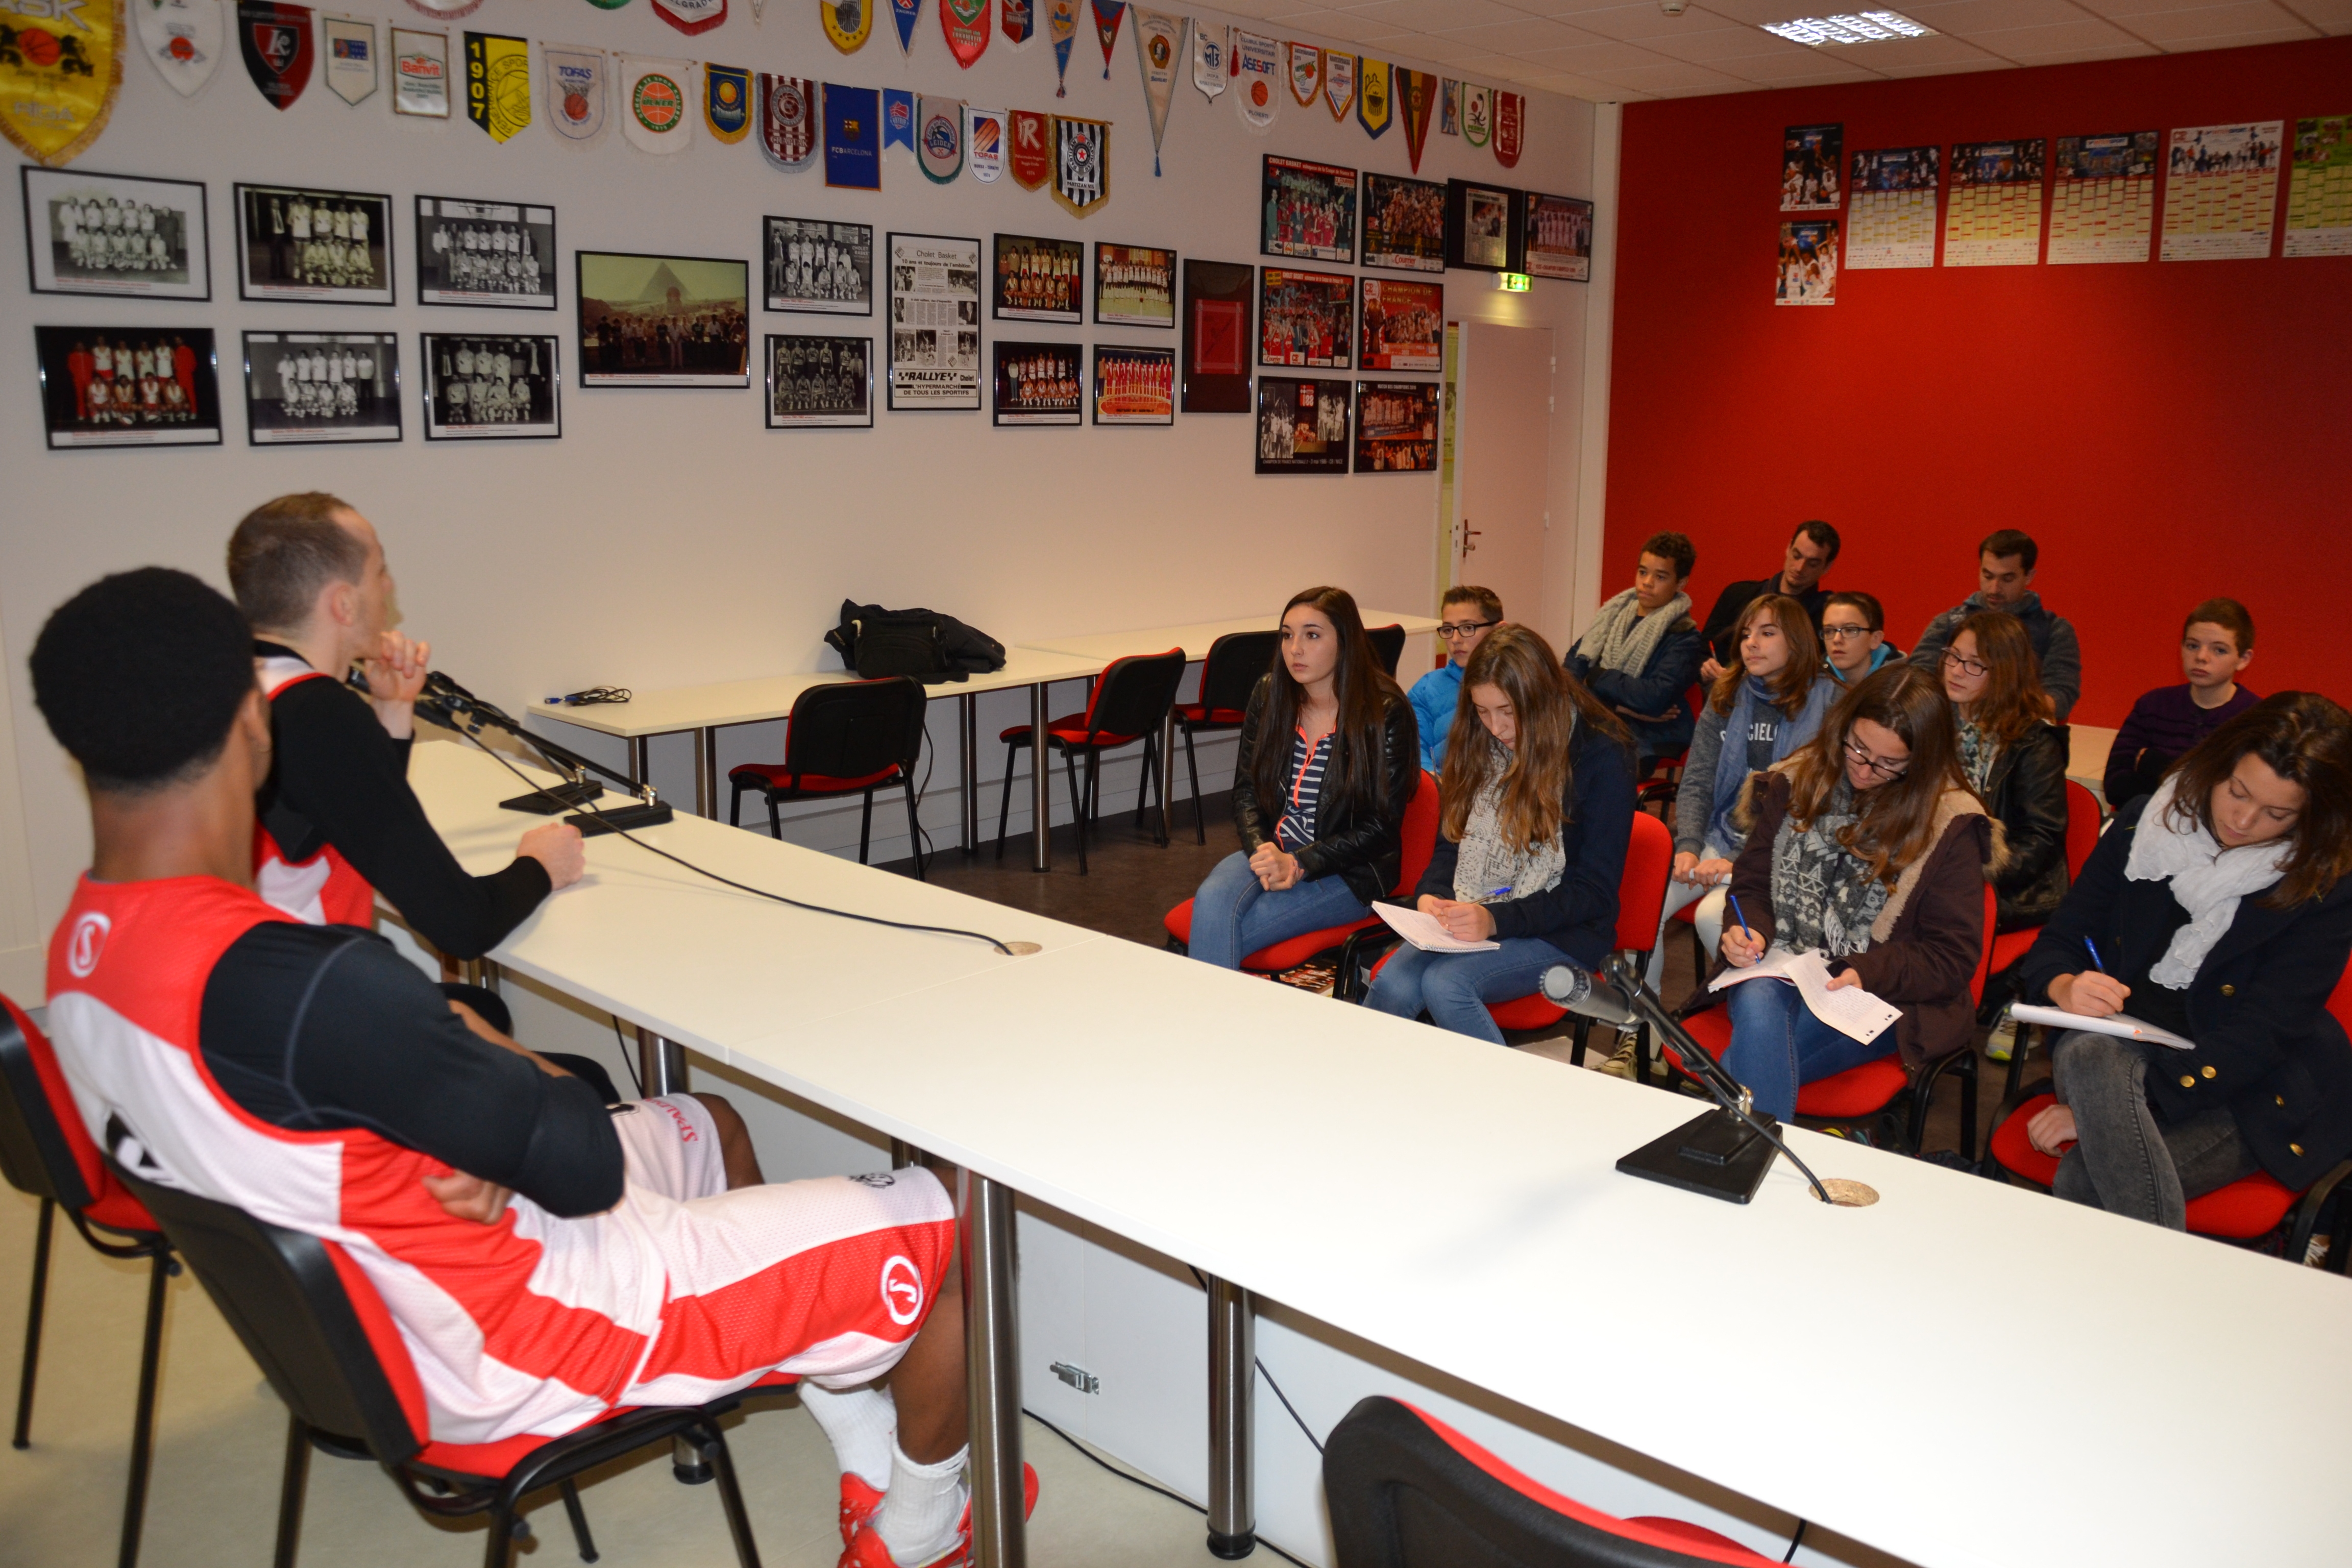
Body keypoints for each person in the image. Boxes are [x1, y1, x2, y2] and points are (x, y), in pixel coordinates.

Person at [30, 569, 1025, 1568]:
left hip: (392, 1313)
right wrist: (494, 1090)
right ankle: (922, 1526)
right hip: (537, 1329)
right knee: (956, 1214)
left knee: (705, 1125)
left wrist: (464, 1101)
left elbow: (333, 1114)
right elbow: (581, 1159)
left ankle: (860, 1443)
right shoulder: (317, 989)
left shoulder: (84, 948)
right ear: (256, 718)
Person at [225, 494, 641, 1105]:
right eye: (380, 571)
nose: (390, 589)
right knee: (588, 1086)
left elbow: (347, 821)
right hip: (303, 1030)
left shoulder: (239, 686)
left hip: (244, 1004)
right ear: (342, 602)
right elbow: (459, 925)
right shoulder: (320, 716)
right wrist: (539, 868)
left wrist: (391, 714)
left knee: (477, 1007)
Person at [2012, 694, 2352, 1232]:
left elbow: (2262, 1037)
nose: (2243, 819)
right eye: (2237, 792)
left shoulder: (2323, 884)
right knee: (2093, 1054)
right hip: (2120, 1057)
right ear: (2217, 766)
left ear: (2314, 815)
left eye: (2278, 814)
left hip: (2243, 1088)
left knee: (2083, 1173)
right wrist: (2062, 984)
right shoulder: (2146, 824)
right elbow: (2064, 937)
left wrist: (2106, 1112)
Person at [1717, 664, 1995, 1123]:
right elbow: (1750, 885)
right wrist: (1747, 932)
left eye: (1889, 763)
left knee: (1732, 1076)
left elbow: (1951, 957)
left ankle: (1740, 1158)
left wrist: (1863, 969)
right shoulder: (1797, 780)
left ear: (1920, 761)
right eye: (1858, 748)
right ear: (1841, 728)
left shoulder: (1949, 823)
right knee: (1758, 999)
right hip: (1786, 965)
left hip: (1882, 997)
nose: (1865, 770)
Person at [1363, 626, 1635, 1044]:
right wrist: (1432, 894)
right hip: (1476, 913)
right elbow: (1451, 840)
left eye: (1508, 711)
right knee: (1395, 983)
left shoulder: (1602, 755)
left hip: (1562, 931)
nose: (1497, 727)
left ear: (1541, 697)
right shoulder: (1477, 740)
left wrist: (1495, 920)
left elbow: (1593, 892)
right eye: (1483, 712)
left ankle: (1505, 1105)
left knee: (1447, 985)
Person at [1627, 596, 1833, 1042]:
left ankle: (1752, 1029)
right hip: (1719, 841)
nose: (1750, 644)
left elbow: (1814, 816)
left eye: (1767, 633)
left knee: (1710, 919)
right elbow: (1698, 780)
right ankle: (1645, 1034)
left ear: (1796, 641)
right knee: (1641, 906)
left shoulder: (1826, 703)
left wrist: (1739, 865)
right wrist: (1688, 845)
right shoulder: (1728, 694)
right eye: (1745, 634)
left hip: (1778, 861)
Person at [1188, 587, 1418, 970]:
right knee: (1212, 900)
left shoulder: (1383, 712)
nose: (1295, 648)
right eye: (1287, 635)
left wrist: (1300, 864)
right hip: (1273, 849)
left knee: (1223, 934)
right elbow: (1246, 792)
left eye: (1312, 635)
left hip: (1347, 871)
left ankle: (1207, 1027)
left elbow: (1380, 828)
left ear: (1345, 642)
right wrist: (1264, 850)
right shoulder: (1270, 694)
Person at [1941, 611, 2069, 933]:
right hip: (1938, 872)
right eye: (1954, 657)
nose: (1957, 671)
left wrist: (1969, 873)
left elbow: (2041, 841)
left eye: (1974, 664)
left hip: (2002, 892)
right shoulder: (1935, 723)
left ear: (2005, 673)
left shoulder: (2034, 742)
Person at [1566, 531, 1706, 773]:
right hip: (1602, 723)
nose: (1647, 583)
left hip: (1647, 738)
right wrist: (1621, 706)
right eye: (1643, 572)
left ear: (1681, 583)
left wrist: (1598, 677)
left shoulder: (1684, 638)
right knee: (1546, 750)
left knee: (1584, 766)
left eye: (1660, 576)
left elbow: (1653, 699)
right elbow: (1569, 677)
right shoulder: (1611, 617)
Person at [1909, 528, 2082, 723]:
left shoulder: (2055, 631)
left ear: (2029, 576)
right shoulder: (1949, 622)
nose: (1994, 588)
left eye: (2007, 579)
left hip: (2017, 735)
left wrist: (2002, 717)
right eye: (1988, 575)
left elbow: (2060, 694)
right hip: (1944, 728)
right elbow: (1917, 677)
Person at [2102, 598, 2259, 809]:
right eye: (2192, 646)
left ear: (2243, 659)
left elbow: (2241, 803)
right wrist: (2203, 781)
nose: (2201, 657)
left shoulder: (2257, 719)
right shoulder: (2152, 706)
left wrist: (2155, 765)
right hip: (2145, 830)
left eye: (2219, 650)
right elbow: (2116, 787)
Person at [1696, 520, 1838, 683]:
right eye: (1797, 556)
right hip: (1722, 692)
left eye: (1812, 564)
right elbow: (1702, 650)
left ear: (1827, 567)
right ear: (1788, 548)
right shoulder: (1738, 595)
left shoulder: (1826, 617)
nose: (1800, 568)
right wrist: (1706, 667)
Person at [1406, 585, 1500, 771]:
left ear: (1498, 630)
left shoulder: (1518, 683)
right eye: (1448, 629)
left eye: (1468, 627)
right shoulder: (1426, 689)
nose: (1456, 639)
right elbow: (1414, 750)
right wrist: (1435, 782)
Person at [1821, 591, 1901, 686]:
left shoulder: (1904, 684)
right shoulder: (1810, 686)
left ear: (1875, 639)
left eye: (1850, 630)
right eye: (1829, 631)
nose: (1837, 640)